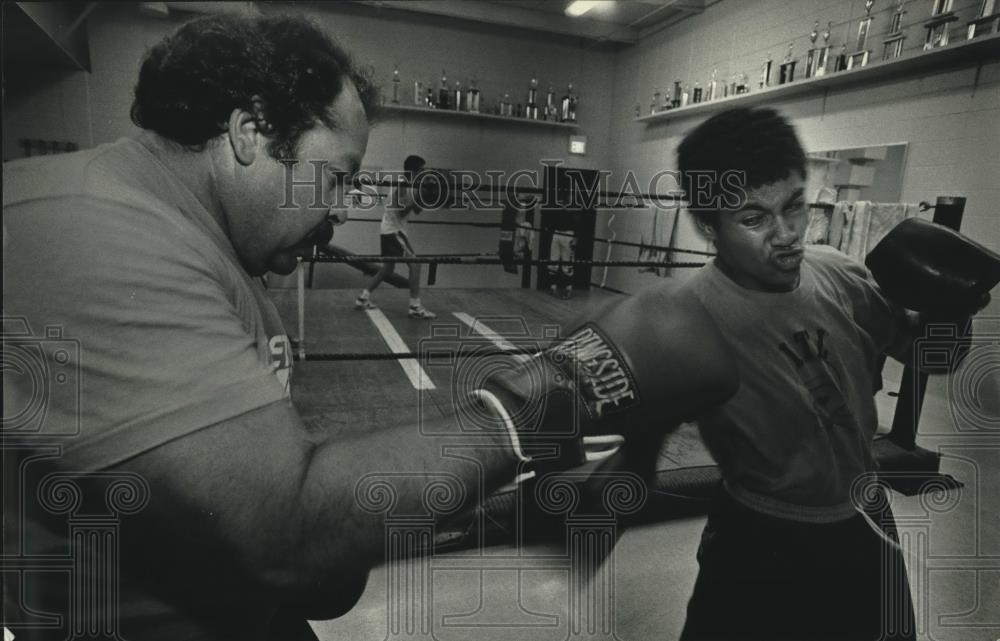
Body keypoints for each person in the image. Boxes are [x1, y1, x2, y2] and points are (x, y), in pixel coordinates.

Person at [3, 14, 739, 640]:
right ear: (251, 133)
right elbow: (286, 530)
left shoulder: (206, 247)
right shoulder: (96, 232)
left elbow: (281, 523)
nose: (340, 206)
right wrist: (556, 390)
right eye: (336, 176)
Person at [675, 106, 935, 641]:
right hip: (757, 532)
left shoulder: (839, 273)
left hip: (864, 517)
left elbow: (928, 355)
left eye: (795, 206)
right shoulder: (689, 318)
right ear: (708, 225)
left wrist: (946, 314)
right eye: (753, 219)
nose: (787, 234)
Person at [354, 154, 436, 318]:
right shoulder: (402, 185)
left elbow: (417, 211)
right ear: (414, 170)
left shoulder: (411, 185)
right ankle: (415, 306)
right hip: (394, 231)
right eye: (421, 170)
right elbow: (401, 210)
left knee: (388, 268)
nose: (423, 173)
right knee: (415, 264)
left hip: (390, 229)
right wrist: (419, 196)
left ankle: (363, 298)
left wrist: (425, 194)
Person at [548, 208, 576, 299]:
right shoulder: (556, 199)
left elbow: (578, 219)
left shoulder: (574, 201)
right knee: (553, 261)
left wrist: (575, 238)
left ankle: (569, 289)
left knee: (567, 263)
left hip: (568, 232)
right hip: (557, 231)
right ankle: (553, 287)